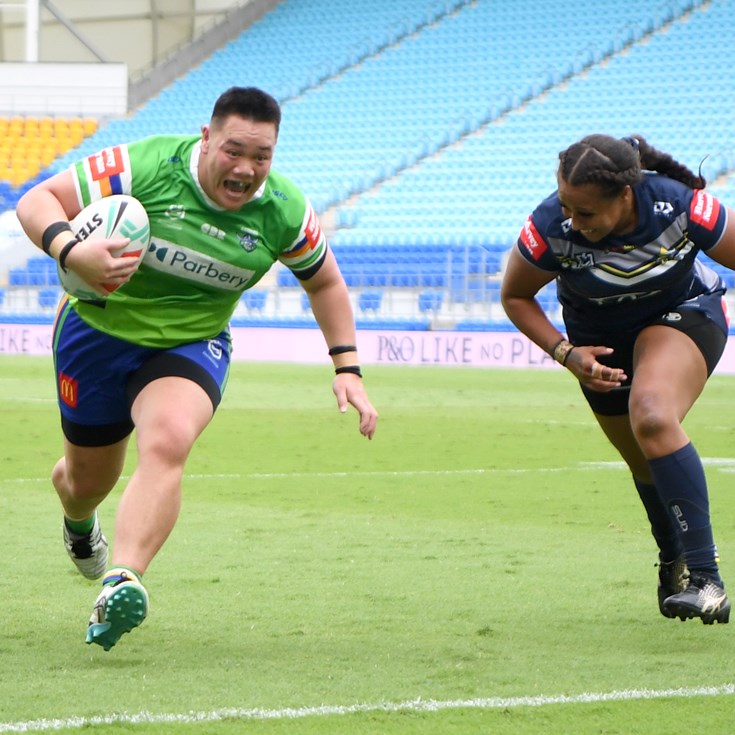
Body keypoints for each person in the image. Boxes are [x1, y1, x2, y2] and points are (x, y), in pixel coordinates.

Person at [15, 86, 379, 651]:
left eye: (262, 156)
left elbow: (325, 280)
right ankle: (79, 520)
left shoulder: (283, 210)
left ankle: (123, 579)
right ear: (206, 138)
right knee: (87, 482)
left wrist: (347, 368)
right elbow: (37, 200)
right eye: (234, 150)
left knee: (169, 440)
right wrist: (70, 250)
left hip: (191, 344)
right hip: (97, 333)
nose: (247, 168)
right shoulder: (146, 166)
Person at [501, 133, 735, 625]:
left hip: (682, 313)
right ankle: (671, 553)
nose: (572, 220)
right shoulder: (549, 228)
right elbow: (516, 296)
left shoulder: (679, 206)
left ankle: (706, 579)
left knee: (652, 417)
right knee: (644, 462)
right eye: (566, 205)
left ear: (625, 196)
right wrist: (567, 354)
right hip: (599, 346)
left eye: (584, 212)